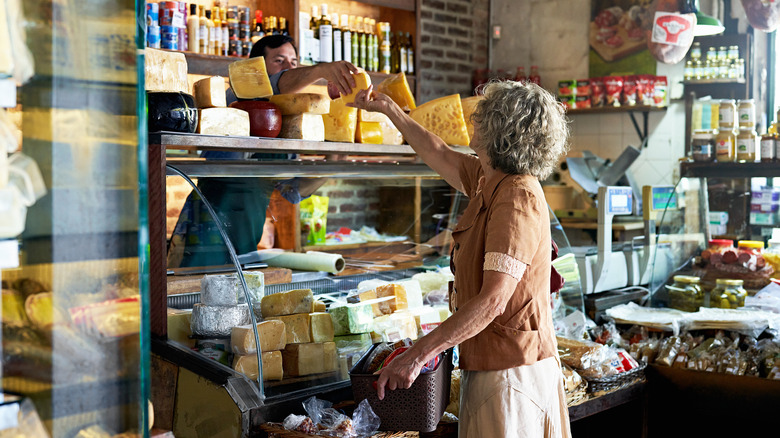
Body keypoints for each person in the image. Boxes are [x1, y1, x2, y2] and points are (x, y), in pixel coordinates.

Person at [348, 80, 572, 437]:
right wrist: (391, 111)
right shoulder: (489, 180)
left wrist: (417, 355)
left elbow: (493, 300)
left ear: (500, 129)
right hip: (491, 369)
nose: (472, 120)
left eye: (480, 116)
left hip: (512, 377)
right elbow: (436, 151)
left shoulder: (517, 197)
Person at [167, 36, 359, 268]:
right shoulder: (236, 98)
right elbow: (276, 84)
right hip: (208, 223)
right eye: (279, 61)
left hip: (248, 231)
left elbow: (292, 191)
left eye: (294, 62)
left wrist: (332, 166)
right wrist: (321, 70)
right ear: (255, 67)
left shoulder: (288, 124)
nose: (289, 68)